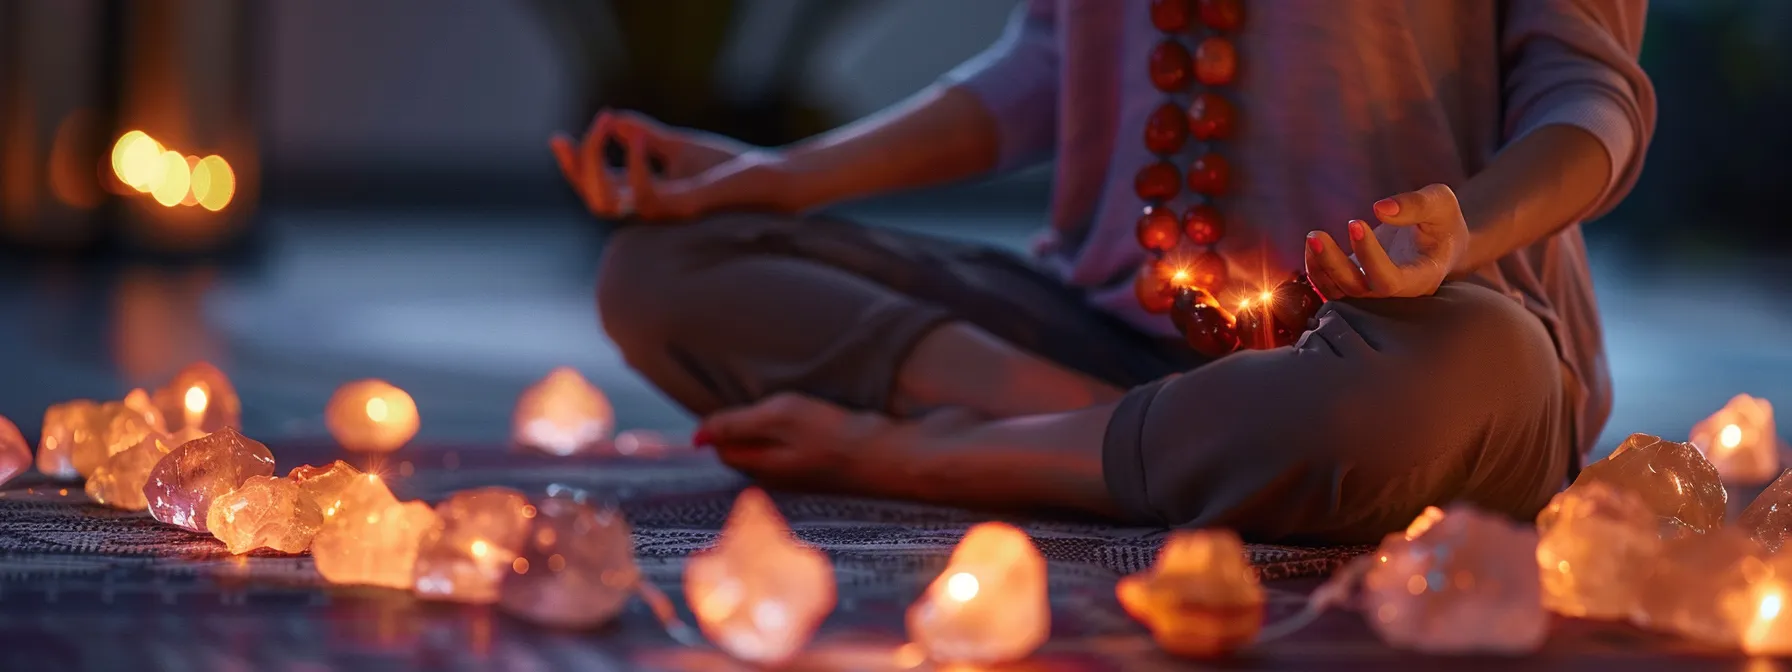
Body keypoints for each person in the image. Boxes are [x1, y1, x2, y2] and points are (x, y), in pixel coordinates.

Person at [551, 0, 1654, 544]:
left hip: (1403, 341)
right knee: (663, 267)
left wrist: (1462, 230)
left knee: (1441, 392)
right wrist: (779, 179)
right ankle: (1122, 432)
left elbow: (1588, 96)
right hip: (1103, 325)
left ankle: (941, 459)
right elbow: (1049, 61)